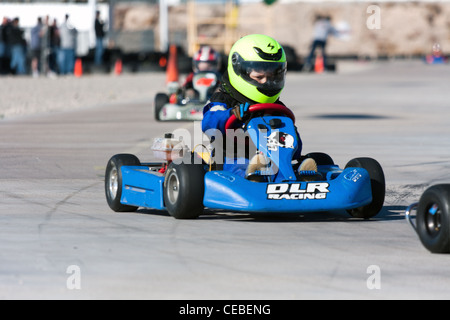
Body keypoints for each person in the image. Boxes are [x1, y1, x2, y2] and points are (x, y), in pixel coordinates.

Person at [202, 34, 316, 180]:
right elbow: (209, 123)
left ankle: (304, 176)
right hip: (232, 158)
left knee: (320, 160)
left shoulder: (277, 108)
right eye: (259, 77)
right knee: (241, 165)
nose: (266, 83)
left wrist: (291, 134)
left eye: (272, 78)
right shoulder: (223, 100)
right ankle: (254, 176)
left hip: (273, 159)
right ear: (239, 70)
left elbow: (295, 147)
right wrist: (231, 115)